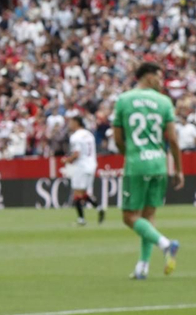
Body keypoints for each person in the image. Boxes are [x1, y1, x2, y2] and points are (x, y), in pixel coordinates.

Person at [111, 62, 182, 279]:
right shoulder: (164, 101)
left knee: (129, 217)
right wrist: (178, 169)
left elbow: (117, 138)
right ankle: (142, 267)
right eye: (159, 77)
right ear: (148, 77)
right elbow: (172, 139)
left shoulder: (124, 100)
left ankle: (165, 244)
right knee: (149, 215)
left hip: (137, 163)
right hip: (159, 163)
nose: (161, 82)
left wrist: (129, 153)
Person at [65, 114, 102, 226]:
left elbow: (77, 154)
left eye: (71, 122)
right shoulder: (89, 134)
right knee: (83, 193)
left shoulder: (75, 136)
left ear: (76, 123)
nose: (69, 124)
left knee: (77, 193)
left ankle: (81, 219)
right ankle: (99, 208)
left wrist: (67, 160)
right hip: (92, 165)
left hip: (81, 166)